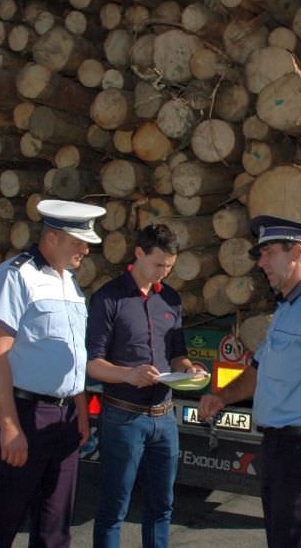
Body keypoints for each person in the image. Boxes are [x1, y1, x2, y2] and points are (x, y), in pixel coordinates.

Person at [198, 215, 301, 548]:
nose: (261, 261)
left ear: (296, 253)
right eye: (260, 254)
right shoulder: (287, 307)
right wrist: (222, 396)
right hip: (279, 449)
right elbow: (257, 370)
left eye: (268, 253)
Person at [0, 199, 105, 548]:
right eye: (79, 242)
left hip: (64, 419)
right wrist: (9, 426)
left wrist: (80, 410)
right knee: (4, 521)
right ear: (52, 238)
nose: (86, 249)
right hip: (26, 415)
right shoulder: (14, 276)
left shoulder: (70, 283)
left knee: (55, 527)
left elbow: (74, 355)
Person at [87, 224, 201, 548]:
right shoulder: (108, 298)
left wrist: (188, 368)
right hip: (123, 418)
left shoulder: (172, 301)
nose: (164, 273)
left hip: (165, 419)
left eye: (169, 267)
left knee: (161, 507)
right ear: (139, 253)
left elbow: (178, 355)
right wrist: (129, 375)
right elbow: (92, 364)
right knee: (114, 509)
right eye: (158, 265)